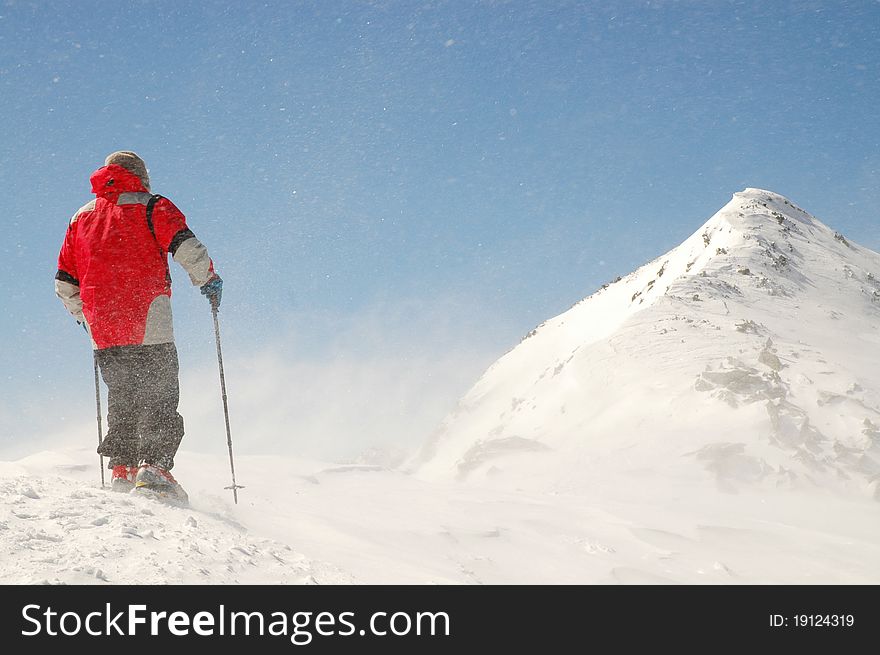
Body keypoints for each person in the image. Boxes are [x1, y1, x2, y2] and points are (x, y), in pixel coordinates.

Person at [55, 151, 223, 502]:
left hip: (104, 326)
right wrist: (207, 279)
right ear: (141, 174)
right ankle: (155, 468)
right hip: (147, 315)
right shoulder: (152, 205)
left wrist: (84, 318)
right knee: (159, 392)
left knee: (124, 395)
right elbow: (186, 246)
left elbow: (64, 282)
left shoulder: (80, 217)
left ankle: (123, 468)